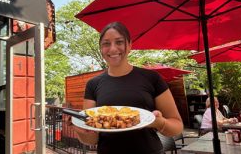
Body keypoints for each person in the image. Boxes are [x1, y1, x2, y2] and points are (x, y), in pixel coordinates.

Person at [70, 22, 183, 154]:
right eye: (106, 44)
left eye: (119, 42)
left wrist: (159, 123)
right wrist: (81, 131)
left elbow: (177, 126)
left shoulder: (152, 78)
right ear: (101, 49)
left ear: (129, 45)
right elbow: (92, 139)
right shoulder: (92, 84)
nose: (112, 49)